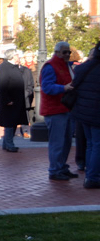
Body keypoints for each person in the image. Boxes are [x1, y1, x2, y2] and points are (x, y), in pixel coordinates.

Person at [40, 41, 78, 181]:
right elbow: (47, 87)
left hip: (66, 109)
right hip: (55, 110)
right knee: (57, 142)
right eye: (64, 52)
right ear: (57, 53)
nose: (67, 54)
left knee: (66, 141)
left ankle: (61, 167)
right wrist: (64, 88)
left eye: (69, 52)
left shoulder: (66, 66)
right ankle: (55, 170)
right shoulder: (50, 66)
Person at [70, 43, 100, 189]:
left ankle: (90, 174)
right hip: (95, 112)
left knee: (90, 144)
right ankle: (93, 177)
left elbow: (74, 86)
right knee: (96, 144)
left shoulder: (82, 68)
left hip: (83, 112)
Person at [0, 50, 28, 153]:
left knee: (13, 123)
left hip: (16, 100)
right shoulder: (4, 67)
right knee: (10, 123)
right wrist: (6, 99)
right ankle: (9, 144)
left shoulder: (13, 67)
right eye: (17, 55)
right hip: (10, 101)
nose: (19, 57)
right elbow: (2, 84)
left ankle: (7, 143)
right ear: (13, 56)